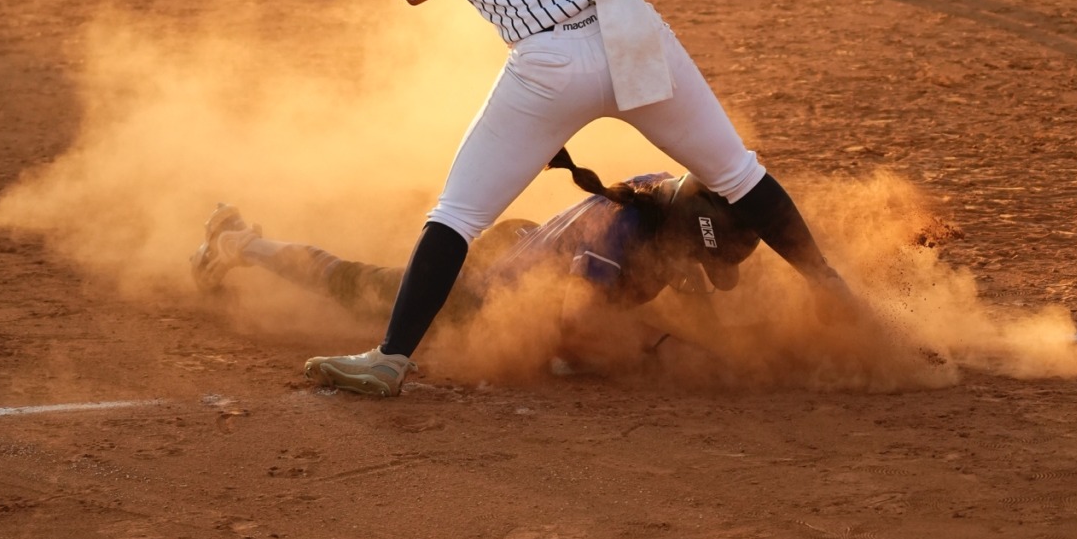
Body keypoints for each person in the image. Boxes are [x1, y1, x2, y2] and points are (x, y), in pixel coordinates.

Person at [303, 0, 851, 396]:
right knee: (736, 173)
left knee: (457, 214)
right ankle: (837, 295)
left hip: (544, 66)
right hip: (633, 41)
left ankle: (391, 358)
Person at [194, 149, 764, 379]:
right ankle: (237, 242)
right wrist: (655, 353)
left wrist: (722, 354)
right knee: (355, 283)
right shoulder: (620, 233)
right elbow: (575, 332)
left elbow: (692, 298)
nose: (693, 266)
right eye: (697, 252)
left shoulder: (663, 196)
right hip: (477, 296)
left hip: (521, 246)